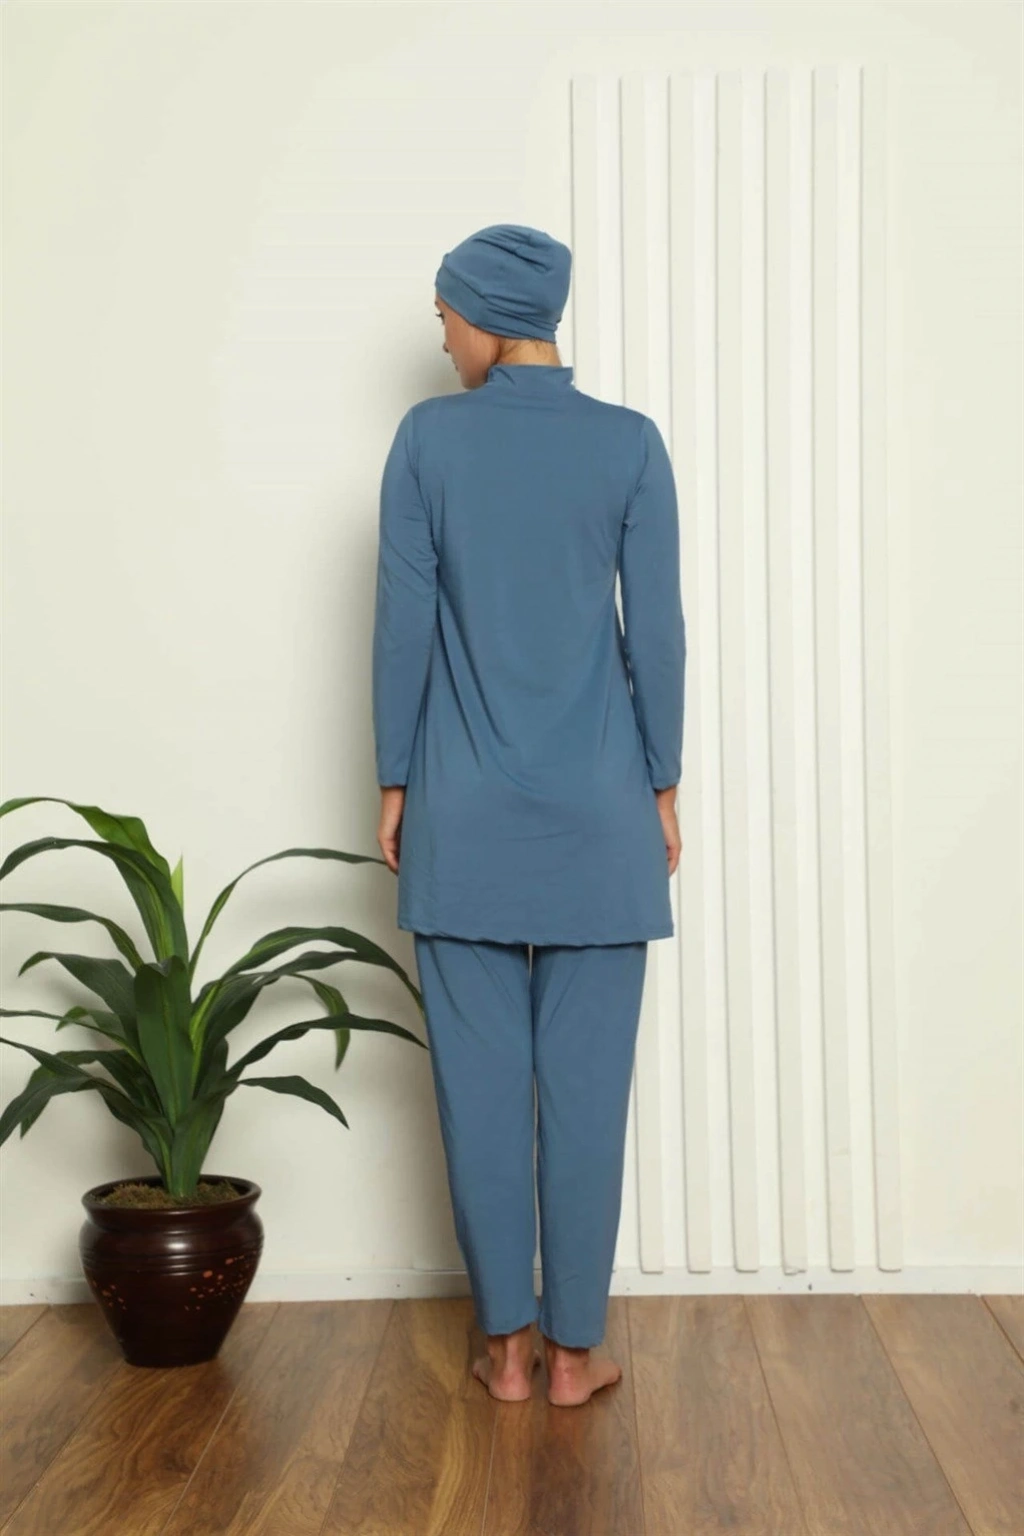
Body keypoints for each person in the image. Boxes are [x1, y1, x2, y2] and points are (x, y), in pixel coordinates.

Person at [371, 223, 686, 1407]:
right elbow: (657, 634)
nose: (440, 336)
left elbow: (402, 626)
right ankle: (575, 1358)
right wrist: (662, 782)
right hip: (603, 818)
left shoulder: (426, 441)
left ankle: (505, 1351)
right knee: (588, 1099)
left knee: (480, 1094)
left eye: (445, 314)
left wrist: (394, 780)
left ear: (491, 318)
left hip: (460, 814)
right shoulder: (629, 445)